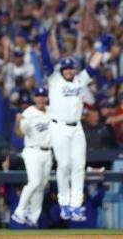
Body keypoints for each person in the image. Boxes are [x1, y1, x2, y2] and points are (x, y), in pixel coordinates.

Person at [47, 53, 103, 222]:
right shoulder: (55, 80)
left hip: (77, 127)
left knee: (79, 165)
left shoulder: (80, 80)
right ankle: (64, 203)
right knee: (64, 165)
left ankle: (76, 206)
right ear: (62, 70)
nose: (69, 71)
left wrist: (102, 48)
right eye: (66, 69)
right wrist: (43, 45)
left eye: (71, 68)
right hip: (59, 127)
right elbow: (47, 62)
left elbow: (93, 66)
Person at [11, 87, 52, 227]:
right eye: (38, 96)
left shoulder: (51, 111)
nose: (40, 98)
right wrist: (18, 121)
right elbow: (19, 133)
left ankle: (33, 218)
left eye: (43, 96)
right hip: (32, 151)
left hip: (48, 152)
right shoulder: (28, 113)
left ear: (46, 98)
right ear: (34, 99)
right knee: (34, 182)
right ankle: (19, 211)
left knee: (41, 186)